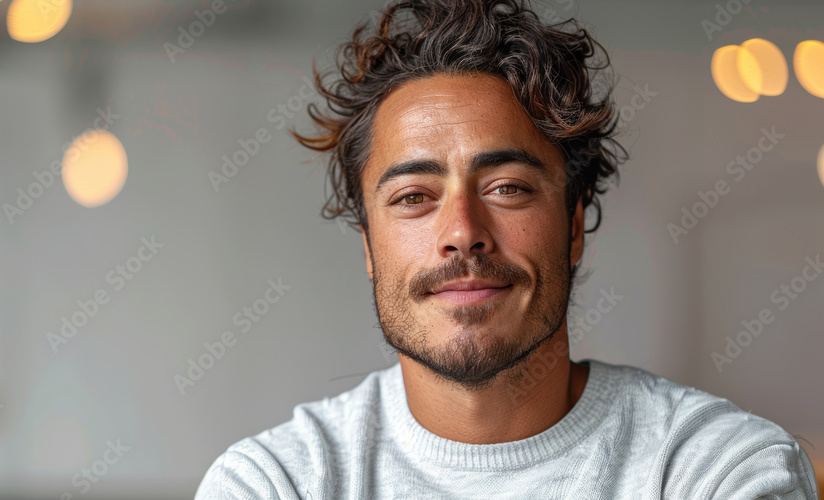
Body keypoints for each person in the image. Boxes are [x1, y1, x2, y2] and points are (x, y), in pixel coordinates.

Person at [196, 0, 819, 497]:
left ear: (574, 225)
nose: (463, 230)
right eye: (414, 196)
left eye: (508, 187)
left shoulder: (717, 470)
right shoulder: (274, 482)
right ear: (369, 247)